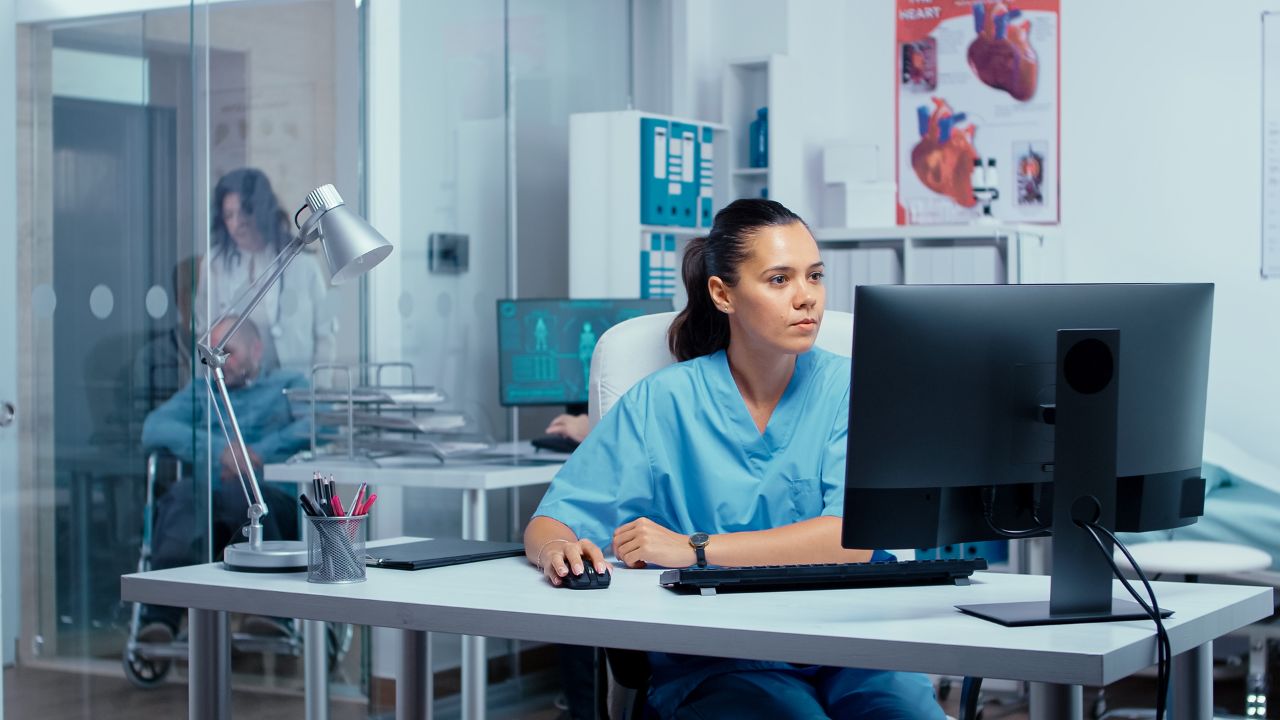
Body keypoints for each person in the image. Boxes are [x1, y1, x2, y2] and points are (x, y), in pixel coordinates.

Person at [523, 198, 945, 719]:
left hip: (852, 638)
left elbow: (851, 539)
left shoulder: (852, 386)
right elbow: (552, 520)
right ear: (723, 294)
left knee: (907, 713)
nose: (805, 298)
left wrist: (693, 549)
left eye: (814, 276)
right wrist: (556, 552)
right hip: (725, 654)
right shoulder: (663, 403)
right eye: (779, 280)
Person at [140, 315, 311, 630]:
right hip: (210, 506)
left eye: (227, 352)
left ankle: (273, 614)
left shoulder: (288, 386)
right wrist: (220, 450)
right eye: (214, 353)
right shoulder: (204, 390)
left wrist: (257, 454)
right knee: (181, 497)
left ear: (256, 350)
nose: (220, 362)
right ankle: (159, 620)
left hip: (273, 505)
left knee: (238, 493)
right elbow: (154, 427)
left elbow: (317, 424)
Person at [196, 167, 335, 375]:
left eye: (245, 211)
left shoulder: (302, 264)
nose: (238, 223)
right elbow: (203, 334)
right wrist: (206, 394)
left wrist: (318, 394)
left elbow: (325, 337)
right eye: (229, 215)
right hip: (233, 387)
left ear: (262, 209)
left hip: (295, 390)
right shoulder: (214, 264)